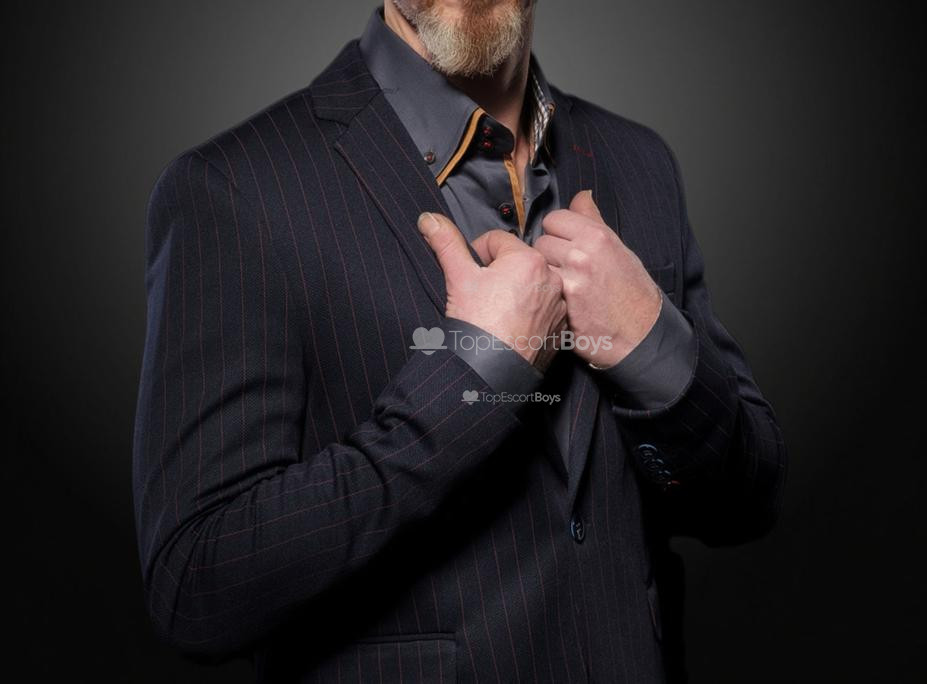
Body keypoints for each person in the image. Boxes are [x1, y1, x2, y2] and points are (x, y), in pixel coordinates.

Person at [132, 1, 786, 681]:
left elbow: (748, 502)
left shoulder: (640, 160)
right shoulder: (234, 189)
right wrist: (476, 373)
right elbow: (195, 589)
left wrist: (653, 343)